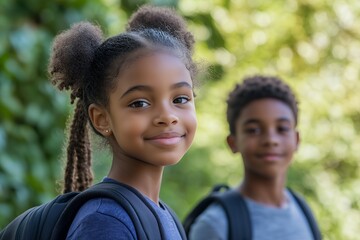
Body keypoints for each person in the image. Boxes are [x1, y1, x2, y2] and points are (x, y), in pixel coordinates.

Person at [48, 5, 197, 239]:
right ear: (102, 118)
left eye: (180, 99)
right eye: (140, 103)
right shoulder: (106, 221)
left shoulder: (164, 216)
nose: (168, 116)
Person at [188, 75, 320, 240]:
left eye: (282, 128)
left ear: (297, 139)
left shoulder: (303, 209)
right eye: (253, 130)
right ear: (233, 142)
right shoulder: (216, 224)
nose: (270, 140)